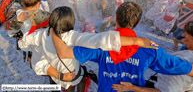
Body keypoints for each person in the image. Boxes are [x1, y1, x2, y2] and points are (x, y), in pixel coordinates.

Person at [51, 2, 193, 92]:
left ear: (116, 19)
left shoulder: (101, 44)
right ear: (137, 24)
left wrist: (53, 27)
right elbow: (182, 67)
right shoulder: (149, 48)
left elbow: (63, 53)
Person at [19, 6, 156, 91]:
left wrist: (23, 43)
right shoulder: (73, 36)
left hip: (55, 75)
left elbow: (23, 43)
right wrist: (136, 40)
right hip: (73, 76)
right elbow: (100, 39)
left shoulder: (40, 34)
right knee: (77, 82)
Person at [112, 21, 193, 92]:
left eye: (188, 33)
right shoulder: (187, 55)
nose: (183, 34)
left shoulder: (185, 60)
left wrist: (133, 88)